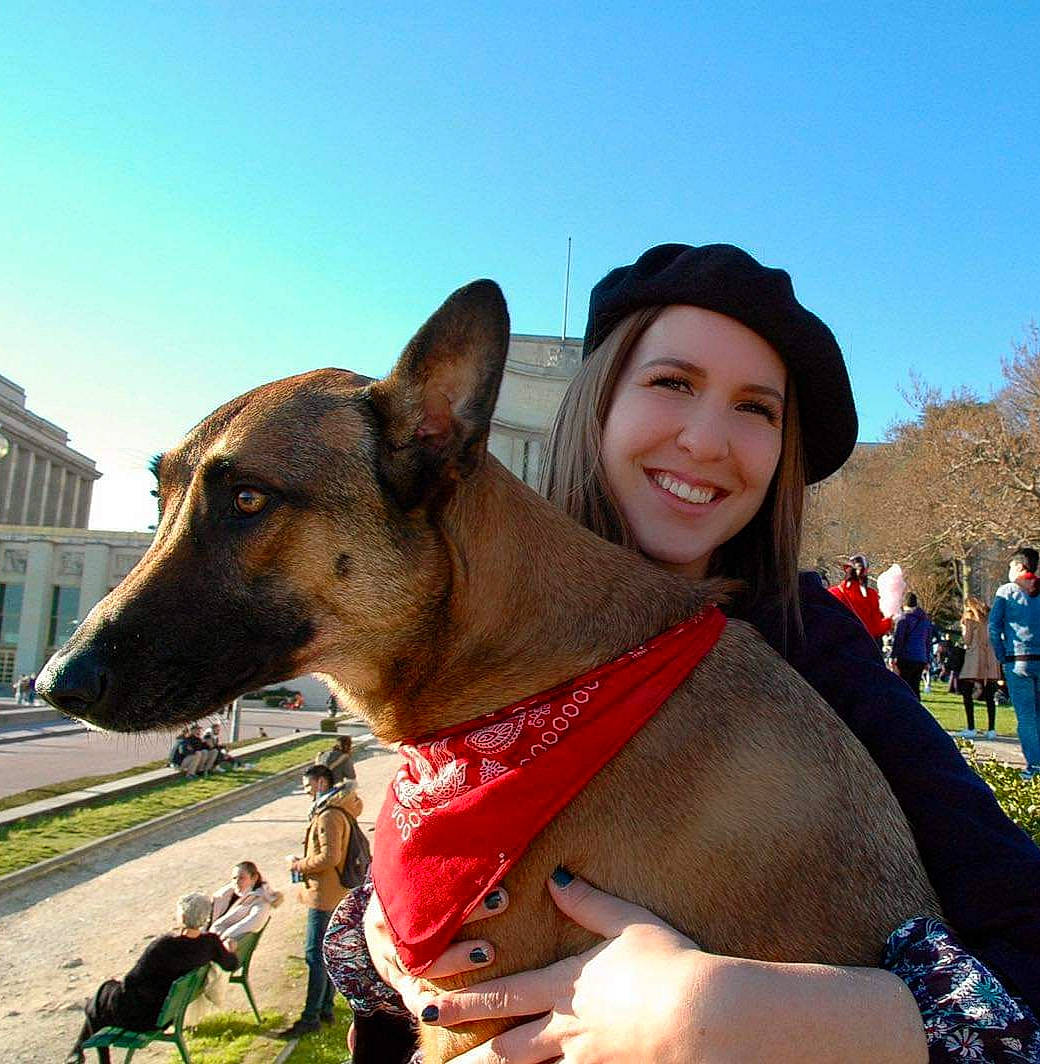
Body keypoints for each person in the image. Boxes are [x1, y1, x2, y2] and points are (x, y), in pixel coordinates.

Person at [332, 242, 1040, 1062]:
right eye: (672, 384)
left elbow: (1024, 951)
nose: (707, 441)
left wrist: (725, 1010)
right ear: (595, 403)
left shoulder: (808, 647)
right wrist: (383, 933)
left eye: (757, 409)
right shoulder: (477, 626)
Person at [66, 892, 238, 1064]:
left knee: (97, 1002)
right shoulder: (211, 943)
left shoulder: (163, 946)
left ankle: (85, 1053)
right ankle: (78, 1051)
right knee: (100, 1000)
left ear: (183, 916)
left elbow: (131, 982)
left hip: (142, 1017)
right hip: (164, 1015)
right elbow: (231, 964)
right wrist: (230, 949)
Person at [276, 763, 353, 1039]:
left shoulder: (328, 816)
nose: (306, 790)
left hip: (324, 896)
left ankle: (311, 1018)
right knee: (326, 954)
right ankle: (325, 1009)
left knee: (315, 956)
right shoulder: (334, 810)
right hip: (331, 894)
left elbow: (330, 857)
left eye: (308, 785)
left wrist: (299, 865)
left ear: (321, 783)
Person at [989, 546, 1040, 779]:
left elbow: (993, 628)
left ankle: (1034, 766)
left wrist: (1001, 655)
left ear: (1019, 566)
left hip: (1017, 660)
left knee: (1026, 716)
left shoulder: (1007, 591)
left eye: (1011, 566)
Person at [209, 861, 282, 946]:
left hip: (217, 946)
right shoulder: (230, 894)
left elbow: (254, 923)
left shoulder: (261, 901)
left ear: (254, 878)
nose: (236, 882)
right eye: (234, 878)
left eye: (241, 878)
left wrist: (221, 940)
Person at [960, 596, 1001, 739]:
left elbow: (967, 639)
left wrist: (963, 629)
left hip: (974, 658)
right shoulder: (990, 616)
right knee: (990, 695)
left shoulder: (969, 617)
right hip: (990, 658)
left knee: (966, 693)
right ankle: (991, 729)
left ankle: (971, 727)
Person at [828, 554, 893, 643]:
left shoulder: (832, 593)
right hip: (862, 648)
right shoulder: (871, 595)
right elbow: (876, 629)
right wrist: (890, 621)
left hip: (838, 647)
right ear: (865, 572)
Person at [891, 592, 934, 700]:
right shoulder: (925, 621)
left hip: (906, 657)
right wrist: (928, 660)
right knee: (915, 687)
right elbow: (928, 642)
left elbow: (899, 640)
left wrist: (893, 656)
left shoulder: (903, 620)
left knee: (904, 687)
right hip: (921, 658)